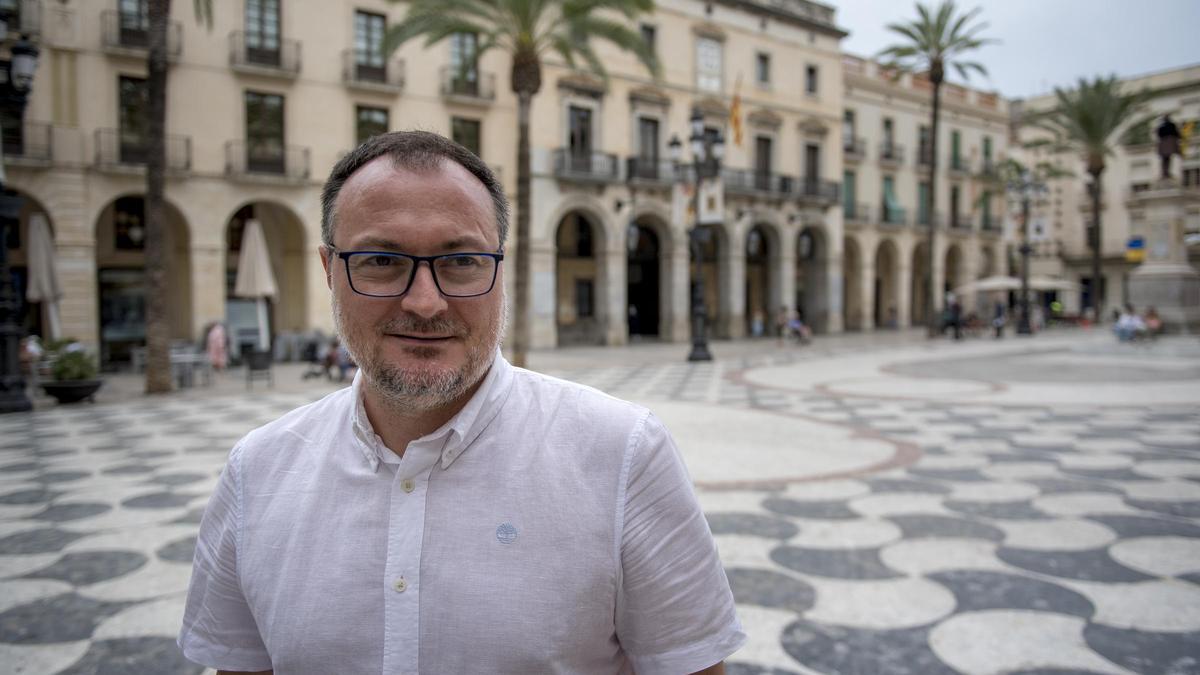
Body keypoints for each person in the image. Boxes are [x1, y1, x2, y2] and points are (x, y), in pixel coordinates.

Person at [178, 131, 744, 674]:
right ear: (330, 271)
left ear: (500, 269)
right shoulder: (257, 472)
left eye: (461, 261)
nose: (425, 303)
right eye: (381, 260)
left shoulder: (624, 455)